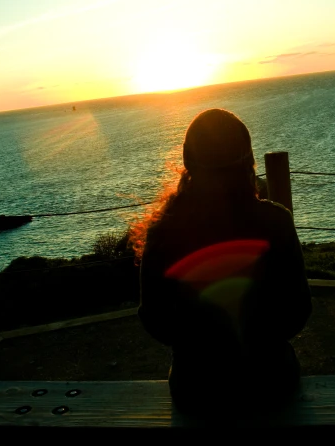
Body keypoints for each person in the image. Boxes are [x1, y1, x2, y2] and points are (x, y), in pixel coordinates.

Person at [130, 108, 312, 415]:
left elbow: (155, 321)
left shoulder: (163, 229)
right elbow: (298, 311)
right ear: (248, 159)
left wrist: (198, 344)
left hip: (196, 388)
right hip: (271, 382)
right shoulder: (276, 221)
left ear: (187, 159)